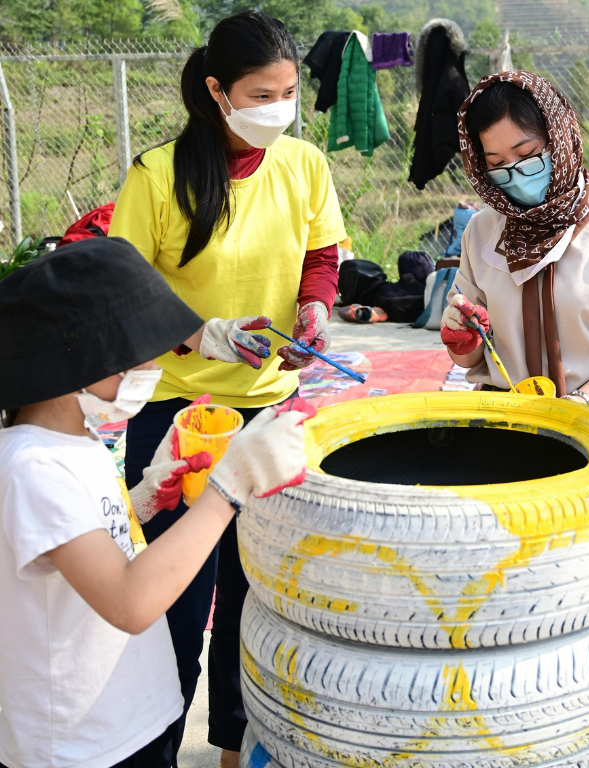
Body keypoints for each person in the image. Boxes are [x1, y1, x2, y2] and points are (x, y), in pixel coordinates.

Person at [106, 11, 347, 767]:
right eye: (261, 93)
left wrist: (315, 308)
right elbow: (122, 291)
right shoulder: (156, 174)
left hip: (269, 407)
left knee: (257, 593)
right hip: (182, 412)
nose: (279, 106)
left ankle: (236, 747)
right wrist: (200, 335)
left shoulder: (304, 164)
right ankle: (153, 745)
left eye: (287, 91)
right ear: (216, 91)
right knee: (174, 597)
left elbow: (321, 253)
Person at [0, 239, 313, 768]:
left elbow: (85, 547)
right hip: (82, 747)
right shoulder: (31, 467)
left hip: (130, 719)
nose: (148, 362)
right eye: (133, 349)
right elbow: (129, 602)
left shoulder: (75, 439)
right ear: (79, 356)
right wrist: (229, 486)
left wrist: (141, 503)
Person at [441, 71, 589, 413]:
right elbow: (468, 357)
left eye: (526, 154)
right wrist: (460, 340)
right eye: (496, 164)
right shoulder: (483, 230)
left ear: (559, 137)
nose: (514, 173)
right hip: (502, 417)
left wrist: (580, 402)